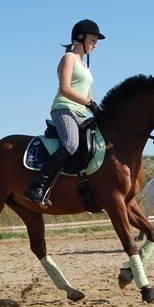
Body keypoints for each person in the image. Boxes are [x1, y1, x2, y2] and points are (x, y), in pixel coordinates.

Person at [25, 19, 105, 206]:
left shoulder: (86, 67)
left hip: (81, 112)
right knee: (71, 144)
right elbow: (65, 88)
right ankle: (38, 186)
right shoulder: (69, 58)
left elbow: (88, 94)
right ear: (80, 37)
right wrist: (89, 103)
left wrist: (97, 110)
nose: (95, 45)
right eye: (93, 40)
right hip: (63, 108)